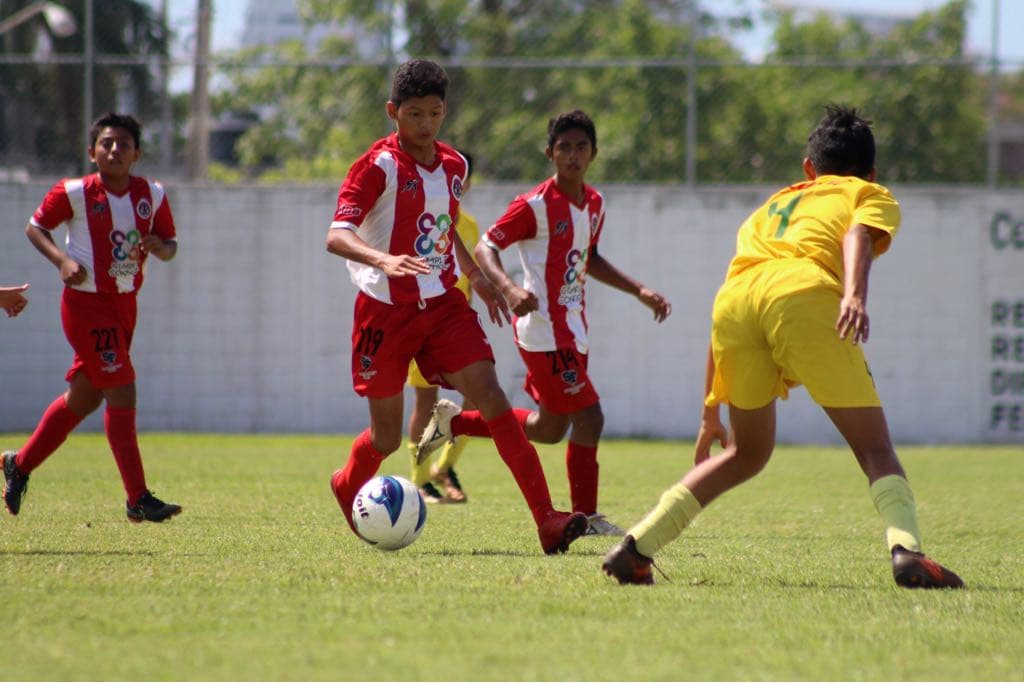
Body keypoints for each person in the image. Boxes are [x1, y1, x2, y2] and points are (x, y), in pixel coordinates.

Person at [601, 104, 963, 588]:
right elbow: (858, 233)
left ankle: (636, 546)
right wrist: (854, 293)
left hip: (735, 306)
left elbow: (735, 289)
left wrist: (712, 410)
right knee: (875, 448)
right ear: (871, 171)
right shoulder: (868, 192)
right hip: (804, 296)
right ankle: (908, 551)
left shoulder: (769, 208)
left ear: (809, 169)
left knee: (746, 454)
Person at [326, 59, 588, 555]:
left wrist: (478, 278)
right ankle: (345, 484)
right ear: (392, 112)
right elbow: (336, 235)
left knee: (489, 395)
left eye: (435, 113)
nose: (426, 124)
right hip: (384, 311)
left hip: (444, 306)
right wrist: (384, 259)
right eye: (415, 114)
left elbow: (445, 232)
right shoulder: (376, 166)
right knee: (384, 438)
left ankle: (547, 520)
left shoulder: (453, 166)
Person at [420, 110, 671, 535]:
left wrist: (638, 290)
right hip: (543, 330)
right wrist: (508, 289)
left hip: (574, 329)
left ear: (594, 153)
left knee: (551, 428)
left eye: (581, 148)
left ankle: (455, 421)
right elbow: (485, 248)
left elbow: (588, 258)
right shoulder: (534, 205)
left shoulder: (594, 203)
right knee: (590, 417)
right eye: (564, 148)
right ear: (550, 153)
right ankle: (587, 517)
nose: (573, 156)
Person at [3, 112, 182, 523]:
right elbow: (35, 227)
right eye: (106, 143)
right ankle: (138, 498)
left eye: (123, 144)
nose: (114, 150)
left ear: (137, 153)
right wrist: (62, 261)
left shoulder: (152, 194)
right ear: (92, 151)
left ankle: (20, 464)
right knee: (122, 389)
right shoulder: (76, 192)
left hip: (124, 306)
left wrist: (159, 247)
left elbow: (171, 245)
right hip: (86, 305)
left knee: (84, 398)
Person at [406, 150, 479, 505]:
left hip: (457, 326)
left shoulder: (470, 226)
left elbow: (470, 277)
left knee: (477, 397)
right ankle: (419, 480)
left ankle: (445, 467)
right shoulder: (419, 216)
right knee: (425, 401)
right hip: (424, 322)